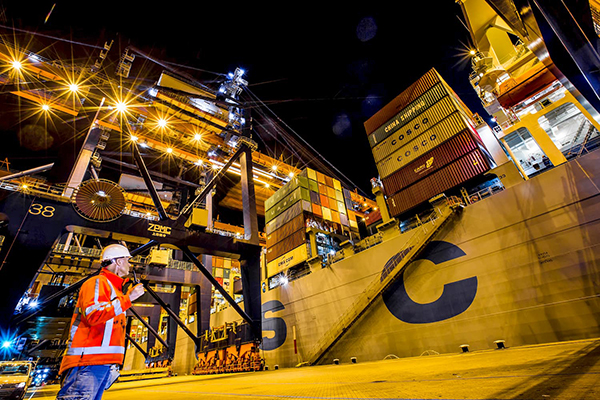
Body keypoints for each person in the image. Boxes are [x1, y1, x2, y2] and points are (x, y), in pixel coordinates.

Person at [56, 244, 145, 400]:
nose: (130, 264)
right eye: (127, 260)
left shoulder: (115, 290)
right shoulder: (97, 282)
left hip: (101, 363)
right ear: (117, 262)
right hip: (87, 363)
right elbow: (94, 314)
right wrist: (129, 298)